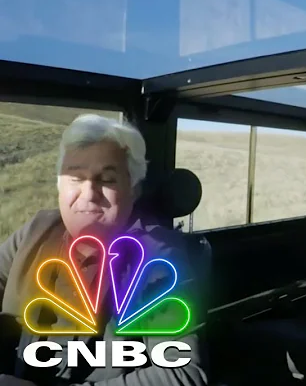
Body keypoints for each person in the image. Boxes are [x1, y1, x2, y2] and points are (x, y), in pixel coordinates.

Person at [0, 115, 208, 386]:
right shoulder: (34, 233)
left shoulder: (159, 258)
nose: (88, 193)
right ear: (59, 186)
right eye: (74, 177)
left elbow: (183, 373)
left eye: (107, 179)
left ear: (133, 189)